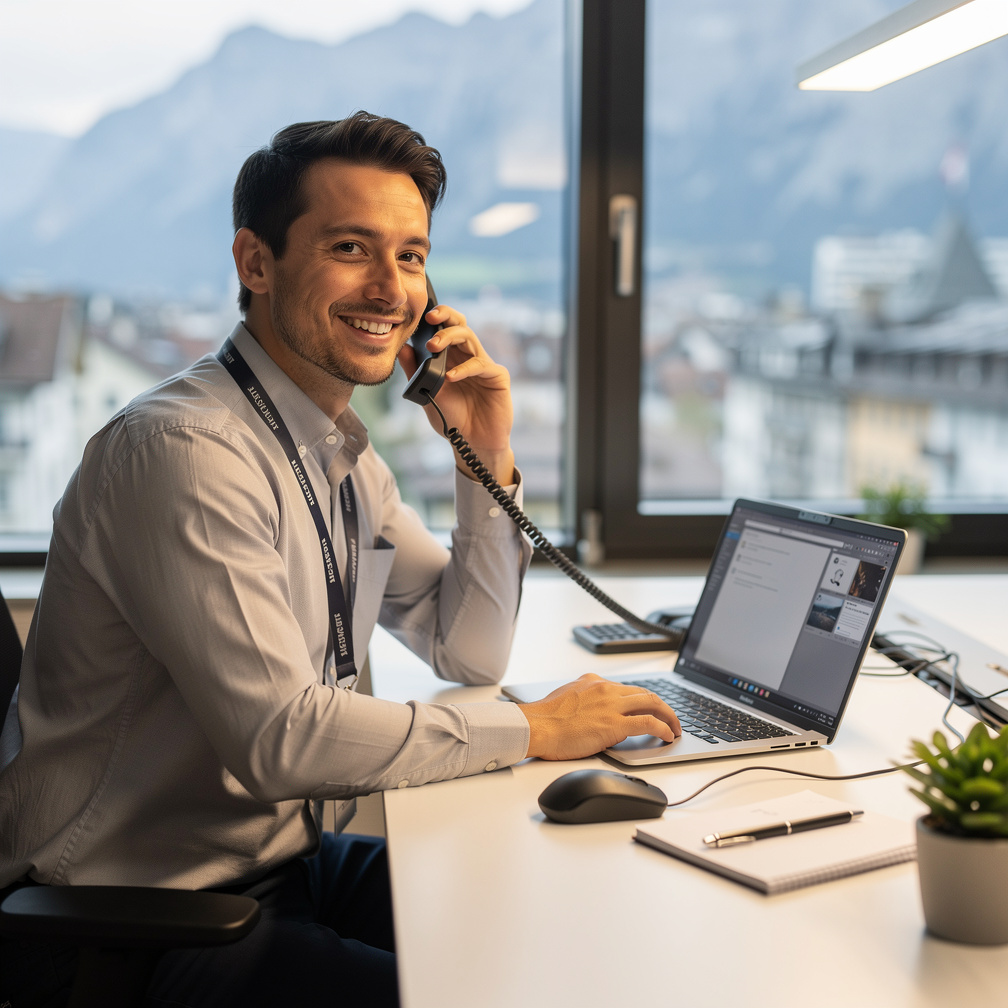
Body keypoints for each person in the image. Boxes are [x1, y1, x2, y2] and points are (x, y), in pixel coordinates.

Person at [0, 112, 680, 1007]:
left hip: (281, 866)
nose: (390, 289)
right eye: (351, 247)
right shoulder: (183, 452)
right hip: (127, 921)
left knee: (563, 927)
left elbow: (468, 649)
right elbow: (283, 739)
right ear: (256, 262)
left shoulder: (339, 453)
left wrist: (483, 456)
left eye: (410, 255)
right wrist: (536, 728)